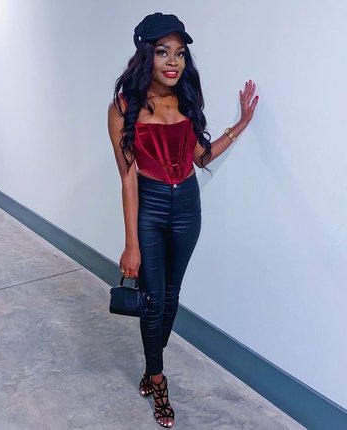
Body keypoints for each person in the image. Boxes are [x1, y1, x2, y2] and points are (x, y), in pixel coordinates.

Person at [107, 12, 258, 428]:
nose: (173, 61)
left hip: (188, 207)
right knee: (153, 300)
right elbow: (128, 178)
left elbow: (200, 158)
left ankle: (150, 367)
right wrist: (131, 244)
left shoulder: (186, 100)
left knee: (171, 297)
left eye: (179, 53)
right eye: (163, 52)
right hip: (151, 207)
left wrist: (240, 125)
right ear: (146, 55)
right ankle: (158, 380)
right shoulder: (124, 107)